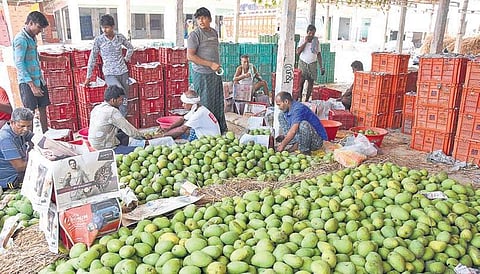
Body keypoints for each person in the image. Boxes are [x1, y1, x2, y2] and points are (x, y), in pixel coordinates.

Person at [13, 11, 66, 133]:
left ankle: (46, 134)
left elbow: (36, 56)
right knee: (29, 112)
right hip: (27, 82)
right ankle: (30, 140)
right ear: (30, 23)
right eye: (39, 27)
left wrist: (56, 59)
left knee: (43, 108)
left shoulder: (32, 38)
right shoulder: (20, 39)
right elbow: (19, 64)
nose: (40, 31)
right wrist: (32, 86)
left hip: (39, 79)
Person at [187, 7, 228, 134]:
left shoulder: (214, 33)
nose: (201, 21)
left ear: (209, 19)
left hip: (214, 73)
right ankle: (205, 131)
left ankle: (219, 128)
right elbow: (190, 56)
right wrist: (210, 64)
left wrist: (214, 65)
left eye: (203, 18)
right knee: (205, 102)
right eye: (198, 19)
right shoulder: (194, 35)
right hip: (201, 74)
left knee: (217, 101)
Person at [84, 14, 134, 117]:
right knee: (118, 93)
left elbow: (130, 48)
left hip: (123, 71)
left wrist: (126, 59)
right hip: (109, 73)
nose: (104, 30)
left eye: (107, 27)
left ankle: (122, 121)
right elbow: (92, 58)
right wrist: (88, 77)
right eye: (103, 28)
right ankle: (114, 119)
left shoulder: (119, 37)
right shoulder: (99, 40)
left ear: (113, 26)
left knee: (124, 98)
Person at [88, 85, 149, 154]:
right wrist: (144, 137)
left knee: (123, 134)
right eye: (120, 100)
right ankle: (118, 151)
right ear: (113, 100)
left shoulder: (97, 108)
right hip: (104, 148)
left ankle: (122, 148)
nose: (122, 102)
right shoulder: (112, 111)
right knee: (142, 150)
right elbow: (130, 130)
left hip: (94, 143)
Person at [0, 107, 34, 189]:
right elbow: (20, 167)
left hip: (19, 173)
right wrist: (38, 161)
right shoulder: (6, 139)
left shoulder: (19, 131)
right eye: (22, 126)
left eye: (28, 126)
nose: (26, 129)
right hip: (11, 180)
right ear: (12, 122)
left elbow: (36, 139)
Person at [296, 24, 324, 102]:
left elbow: (318, 54)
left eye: (313, 33)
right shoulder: (302, 40)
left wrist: (321, 67)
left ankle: (307, 100)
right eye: (310, 33)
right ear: (307, 32)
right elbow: (298, 52)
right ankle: (300, 99)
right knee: (301, 82)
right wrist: (305, 42)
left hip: (313, 64)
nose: (311, 35)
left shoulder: (316, 42)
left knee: (310, 83)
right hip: (303, 63)